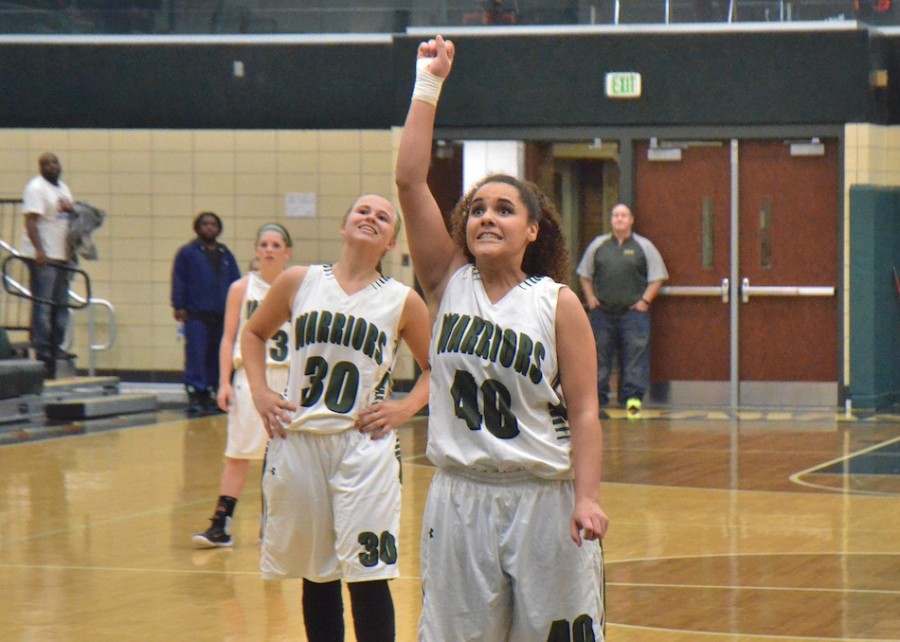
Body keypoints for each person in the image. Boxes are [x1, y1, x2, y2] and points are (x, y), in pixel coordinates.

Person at [396, 35, 609, 642]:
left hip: (543, 495)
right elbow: (410, 180)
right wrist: (428, 85)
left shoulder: (557, 303)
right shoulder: (444, 281)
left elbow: (588, 411)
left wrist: (587, 497)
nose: (487, 216)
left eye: (505, 209)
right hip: (460, 497)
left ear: (533, 229)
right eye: (478, 208)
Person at [241, 194, 431, 642]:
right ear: (343, 226)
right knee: (318, 572)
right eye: (362, 212)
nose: (371, 218)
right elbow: (252, 334)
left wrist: (404, 408)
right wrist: (261, 392)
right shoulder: (298, 281)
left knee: (368, 574)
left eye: (383, 217)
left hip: (362, 446)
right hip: (300, 440)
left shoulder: (403, 301)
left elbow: (435, 370)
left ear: (391, 241)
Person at [192, 223, 293, 549]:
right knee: (238, 452)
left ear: (287, 252)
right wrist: (223, 382)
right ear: (256, 250)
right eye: (264, 243)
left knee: (283, 456)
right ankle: (221, 523)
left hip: (288, 376)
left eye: (276, 244)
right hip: (250, 376)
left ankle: (274, 524)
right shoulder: (241, 288)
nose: (269, 249)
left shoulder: (299, 287)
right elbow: (228, 337)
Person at [576, 203, 668, 417]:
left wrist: (645, 301)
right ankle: (597, 399)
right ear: (611, 220)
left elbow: (657, 277)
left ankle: (632, 400)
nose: (619, 219)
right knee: (598, 357)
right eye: (615, 215)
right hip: (602, 314)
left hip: (633, 314)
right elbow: (584, 274)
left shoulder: (644, 247)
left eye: (623, 215)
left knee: (635, 358)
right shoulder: (598, 245)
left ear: (631, 220)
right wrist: (590, 298)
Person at [171, 212, 241, 415]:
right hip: (196, 315)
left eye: (213, 224)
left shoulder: (224, 253)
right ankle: (196, 394)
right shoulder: (187, 252)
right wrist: (178, 305)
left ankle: (214, 393)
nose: (209, 228)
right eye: (205, 224)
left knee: (217, 356)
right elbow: (179, 279)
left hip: (221, 315)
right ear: (197, 227)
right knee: (196, 356)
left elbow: (236, 281)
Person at [20, 152, 75, 379]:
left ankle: (56, 346)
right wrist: (39, 251)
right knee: (43, 305)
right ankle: (43, 350)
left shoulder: (63, 188)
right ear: (40, 167)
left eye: (54, 162)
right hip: (43, 256)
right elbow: (31, 221)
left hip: (61, 256)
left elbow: (68, 217)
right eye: (46, 163)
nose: (52, 166)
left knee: (61, 305)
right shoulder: (36, 188)